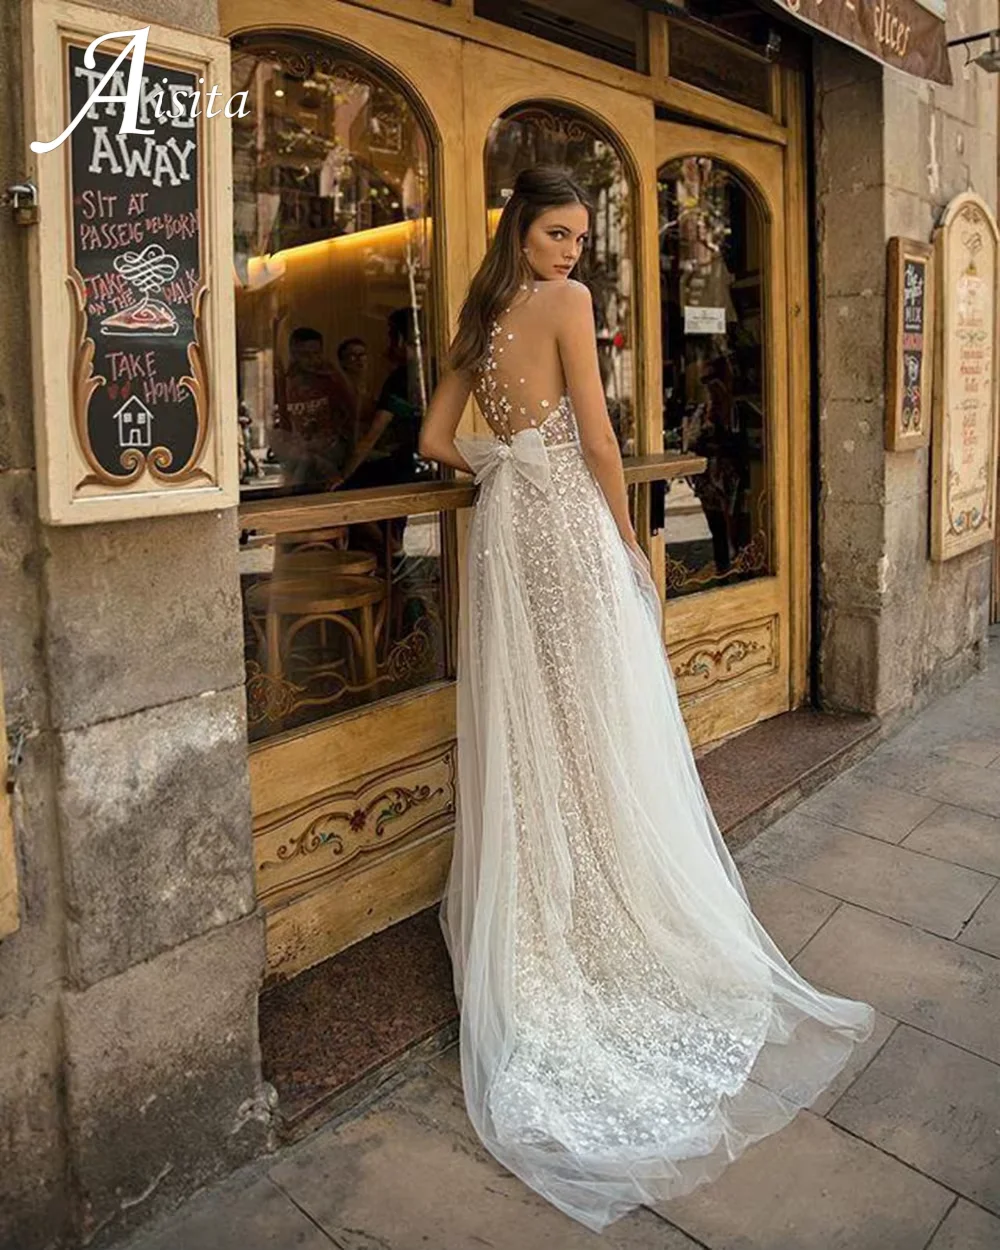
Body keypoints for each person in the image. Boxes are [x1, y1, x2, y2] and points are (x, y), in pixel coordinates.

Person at [417, 166, 875, 1233]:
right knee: (595, 720)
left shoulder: (478, 310)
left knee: (536, 727)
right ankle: (602, 909)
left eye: (579, 238)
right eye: (557, 233)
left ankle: (551, 915)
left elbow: (437, 440)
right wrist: (623, 530)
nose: (572, 253)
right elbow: (599, 433)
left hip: (506, 538)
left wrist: (500, 464)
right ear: (521, 230)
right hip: (568, 529)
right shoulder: (568, 307)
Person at [271, 327, 356, 491]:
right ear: (294, 355)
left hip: (330, 454)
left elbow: (352, 410)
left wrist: (337, 376)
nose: (311, 360)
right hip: (299, 458)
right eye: (305, 355)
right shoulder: (285, 384)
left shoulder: (329, 380)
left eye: (316, 354)